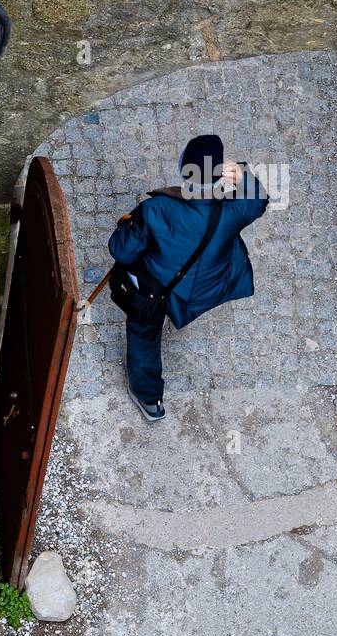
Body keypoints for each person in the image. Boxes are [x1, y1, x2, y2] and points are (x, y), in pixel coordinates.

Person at [107, 134, 268, 421]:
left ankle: (150, 399)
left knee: (144, 335)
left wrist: (126, 226)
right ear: (219, 176)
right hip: (201, 288)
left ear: (183, 169)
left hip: (155, 289)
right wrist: (243, 172)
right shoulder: (232, 212)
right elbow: (258, 201)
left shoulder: (156, 209)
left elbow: (122, 251)